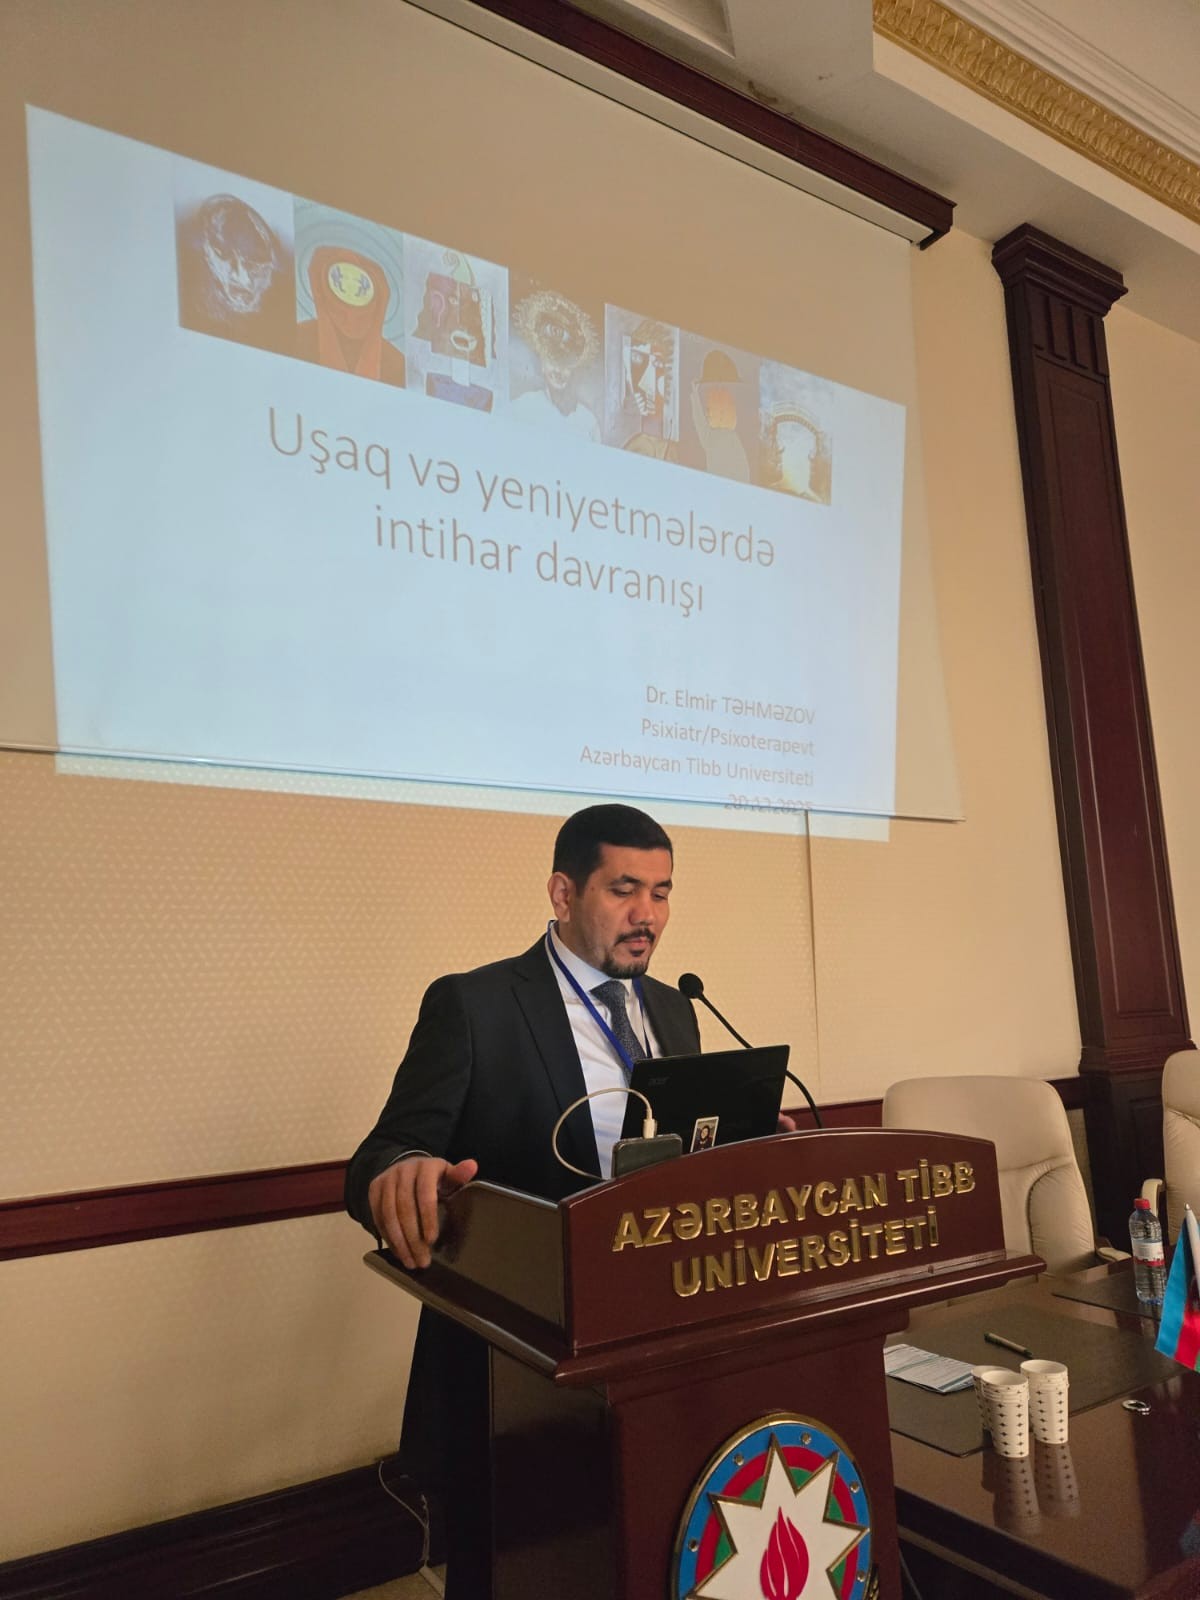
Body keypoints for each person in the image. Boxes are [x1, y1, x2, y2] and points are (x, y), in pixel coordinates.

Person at [345, 803, 700, 1598]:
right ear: (563, 893)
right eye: (624, 889)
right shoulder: (476, 1005)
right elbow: (384, 1150)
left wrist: (743, 1146)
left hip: (651, 1338)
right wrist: (402, 1170)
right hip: (518, 1364)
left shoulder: (675, 1009)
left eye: (662, 892)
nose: (648, 914)